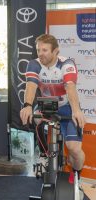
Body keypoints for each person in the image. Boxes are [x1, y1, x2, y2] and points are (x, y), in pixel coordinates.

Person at [20, 34, 86, 195]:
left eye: (44, 50)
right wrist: (27, 105)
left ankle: (76, 177)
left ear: (56, 51)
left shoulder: (66, 64)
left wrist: (76, 111)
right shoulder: (34, 64)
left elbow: (70, 87)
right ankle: (43, 153)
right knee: (34, 118)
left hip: (66, 107)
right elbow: (31, 86)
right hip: (45, 106)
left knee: (73, 149)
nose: (40, 53)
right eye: (38, 50)